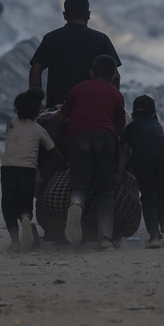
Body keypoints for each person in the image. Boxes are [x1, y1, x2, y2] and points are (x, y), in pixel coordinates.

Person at [53, 55, 127, 250]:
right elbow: (121, 129)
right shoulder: (116, 93)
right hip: (105, 138)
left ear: (92, 73)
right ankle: (105, 237)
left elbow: (61, 117)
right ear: (113, 77)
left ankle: (77, 202)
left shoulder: (78, 88)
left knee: (79, 183)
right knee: (105, 189)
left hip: (79, 136)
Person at [29, 0, 121, 109]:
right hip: (91, 108)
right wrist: (113, 106)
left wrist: (37, 103)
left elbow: (35, 71)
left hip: (57, 109)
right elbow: (115, 76)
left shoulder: (51, 38)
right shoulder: (101, 39)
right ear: (88, 15)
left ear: (64, 15)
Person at [1, 89, 60, 253]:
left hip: (7, 169)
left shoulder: (10, 124)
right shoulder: (39, 129)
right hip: (28, 170)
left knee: (8, 204)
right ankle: (26, 217)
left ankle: (14, 243)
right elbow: (53, 151)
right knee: (25, 201)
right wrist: (64, 164)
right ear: (36, 111)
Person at [121, 95, 164, 249]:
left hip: (142, 160)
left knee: (148, 196)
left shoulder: (130, 128)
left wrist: (119, 173)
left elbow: (125, 150)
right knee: (163, 192)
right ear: (153, 114)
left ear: (132, 116)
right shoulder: (157, 124)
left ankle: (155, 237)